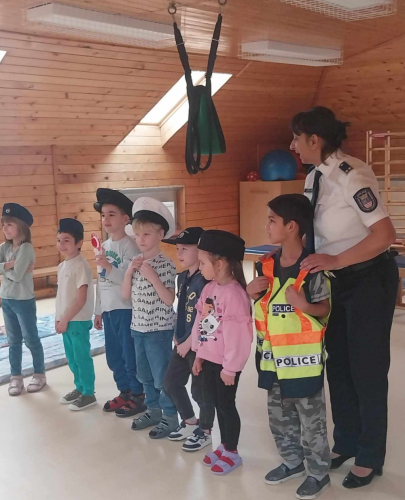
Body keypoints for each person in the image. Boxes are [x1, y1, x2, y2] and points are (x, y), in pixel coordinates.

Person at [290, 106, 398, 489]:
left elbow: (385, 235)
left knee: (367, 370)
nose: (293, 146)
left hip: (370, 280)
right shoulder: (313, 177)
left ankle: (369, 456)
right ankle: (347, 441)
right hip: (335, 282)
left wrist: (335, 259)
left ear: (314, 139)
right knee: (338, 366)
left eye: (297, 139)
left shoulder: (353, 175)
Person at [247, 194, 331, 499]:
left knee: (311, 422)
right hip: (271, 361)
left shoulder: (312, 268)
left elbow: (324, 309)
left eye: (272, 220)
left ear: (292, 226)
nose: (267, 226)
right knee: (279, 419)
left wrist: (305, 305)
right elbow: (262, 306)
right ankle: (292, 462)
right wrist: (249, 292)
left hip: (303, 364)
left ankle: (319, 473)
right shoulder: (265, 265)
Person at [191, 230, 253, 476]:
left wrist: (230, 368)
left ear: (220, 264)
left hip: (226, 365)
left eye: (203, 262)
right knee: (216, 403)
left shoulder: (235, 295)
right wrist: (199, 353)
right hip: (209, 359)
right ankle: (224, 446)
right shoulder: (209, 289)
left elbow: (239, 337)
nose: (200, 267)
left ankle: (232, 451)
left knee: (227, 406)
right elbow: (202, 323)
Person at [122, 197, 178, 439]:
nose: (141, 239)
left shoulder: (165, 264)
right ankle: (153, 410)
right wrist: (129, 272)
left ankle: (170, 416)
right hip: (138, 328)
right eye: (137, 235)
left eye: (146, 234)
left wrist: (153, 277)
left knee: (161, 375)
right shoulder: (136, 263)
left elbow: (168, 299)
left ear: (160, 234)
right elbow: (125, 296)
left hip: (159, 330)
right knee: (144, 374)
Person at [93, 188, 145, 417]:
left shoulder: (129, 246)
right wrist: (98, 311)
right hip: (108, 310)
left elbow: (128, 279)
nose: (106, 219)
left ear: (125, 219)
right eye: (103, 215)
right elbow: (100, 281)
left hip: (125, 309)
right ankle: (125, 391)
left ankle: (138, 394)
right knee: (113, 356)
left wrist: (107, 265)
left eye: (112, 214)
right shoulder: (103, 247)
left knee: (128, 354)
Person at [162, 227, 215, 452]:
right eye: (178, 249)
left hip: (198, 345)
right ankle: (190, 422)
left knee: (200, 392)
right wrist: (178, 335)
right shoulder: (182, 277)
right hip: (182, 341)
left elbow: (206, 318)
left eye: (185, 249)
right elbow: (182, 308)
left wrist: (189, 342)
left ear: (200, 251)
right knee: (171, 382)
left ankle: (205, 431)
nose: (179, 253)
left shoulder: (207, 280)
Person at [0, 203, 45, 396]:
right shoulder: (4, 247)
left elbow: (18, 276)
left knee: (31, 338)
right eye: (3, 225)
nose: (5, 228)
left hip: (23, 301)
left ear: (21, 226)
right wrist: (8, 266)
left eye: (9, 224)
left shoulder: (26, 248)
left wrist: (5, 269)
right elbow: (14, 271)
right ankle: (16, 376)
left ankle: (39, 374)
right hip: (6, 300)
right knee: (13, 341)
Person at [56, 218, 96, 411]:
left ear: (79, 243)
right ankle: (79, 387)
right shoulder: (62, 265)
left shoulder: (81, 266)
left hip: (77, 321)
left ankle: (88, 392)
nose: (61, 245)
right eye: (59, 240)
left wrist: (65, 319)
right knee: (72, 358)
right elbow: (61, 296)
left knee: (81, 358)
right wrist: (58, 318)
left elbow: (80, 299)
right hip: (66, 321)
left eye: (67, 240)